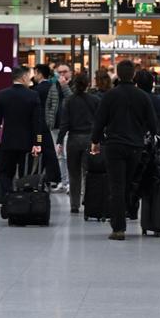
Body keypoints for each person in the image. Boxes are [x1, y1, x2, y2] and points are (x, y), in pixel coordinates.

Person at [91, 60, 158, 241]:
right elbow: (154, 125)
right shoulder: (142, 96)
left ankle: (118, 228)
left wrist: (95, 141)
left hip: (114, 146)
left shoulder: (110, 96)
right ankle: (128, 212)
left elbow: (99, 121)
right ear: (134, 75)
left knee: (116, 187)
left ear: (118, 75)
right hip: (135, 147)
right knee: (128, 184)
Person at [0, 66, 43, 206]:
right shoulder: (33, 95)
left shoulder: (2, 95)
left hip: (8, 142)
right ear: (23, 77)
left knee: (5, 173)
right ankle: (24, 202)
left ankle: (8, 198)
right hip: (27, 144)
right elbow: (37, 122)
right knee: (26, 175)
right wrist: (38, 143)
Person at [57, 72, 100, 214]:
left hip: (73, 139)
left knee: (74, 173)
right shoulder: (95, 100)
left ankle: (74, 205)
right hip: (89, 139)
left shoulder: (68, 101)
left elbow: (64, 124)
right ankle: (88, 200)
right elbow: (99, 122)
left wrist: (59, 142)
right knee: (88, 172)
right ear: (88, 84)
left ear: (74, 84)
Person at [46, 63, 74, 192]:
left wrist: (65, 86)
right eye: (59, 72)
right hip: (55, 126)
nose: (62, 74)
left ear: (70, 72)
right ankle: (63, 181)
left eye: (65, 71)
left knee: (68, 155)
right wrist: (49, 121)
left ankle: (70, 183)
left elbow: (72, 100)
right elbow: (49, 104)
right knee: (59, 156)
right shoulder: (53, 86)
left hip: (68, 127)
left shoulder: (74, 85)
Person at [134, 70, 160, 137]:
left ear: (137, 84)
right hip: (154, 140)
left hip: (135, 140)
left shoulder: (132, 100)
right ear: (152, 85)